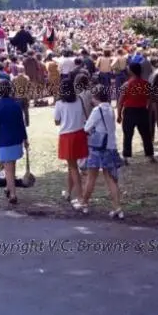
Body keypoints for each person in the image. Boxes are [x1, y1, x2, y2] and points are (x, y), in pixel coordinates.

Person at [79, 84, 124, 218]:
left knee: (91, 178)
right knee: (111, 179)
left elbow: (86, 128)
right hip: (110, 146)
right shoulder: (110, 109)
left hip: (97, 148)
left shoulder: (97, 111)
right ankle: (117, 208)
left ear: (95, 97)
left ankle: (84, 203)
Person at [0, 79, 28, 205]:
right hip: (16, 139)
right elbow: (21, 124)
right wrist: (25, 138)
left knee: (8, 168)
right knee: (11, 166)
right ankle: (8, 187)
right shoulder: (16, 105)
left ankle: (13, 193)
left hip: (3, 140)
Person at [54, 77, 88, 208]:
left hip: (67, 136)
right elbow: (85, 115)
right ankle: (68, 192)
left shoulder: (59, 103)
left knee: (73, 167)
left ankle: (80, 197)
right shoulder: (78, 99)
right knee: (72, 165)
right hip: (80, 134)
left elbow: (57, 121)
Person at [116, 62, 156, 165]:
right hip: (142, 111)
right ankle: (150, 155)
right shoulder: (146, 84)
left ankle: (126, 157)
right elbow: (150, 100)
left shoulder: (126, 84)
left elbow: (120, 102)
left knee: (128, 135)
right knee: (146, 134)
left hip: (129, 112)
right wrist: (149, 111)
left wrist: (119, 115)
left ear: (131, 71)